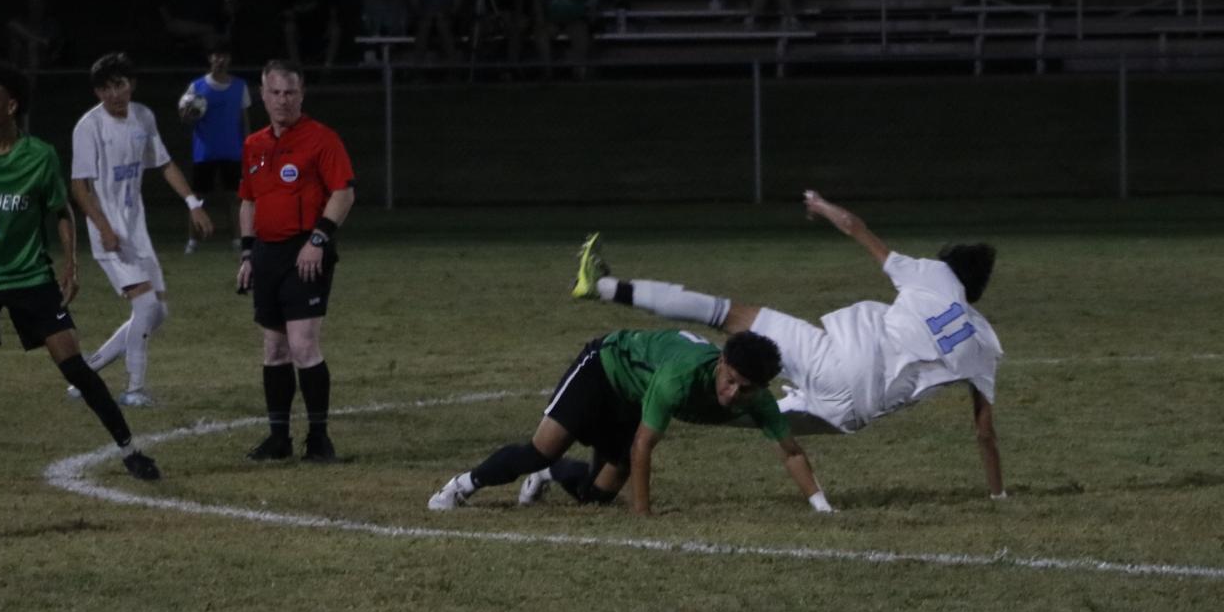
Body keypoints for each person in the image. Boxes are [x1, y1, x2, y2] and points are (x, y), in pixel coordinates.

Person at [569, 190, 1006, 498]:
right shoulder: (986, 341)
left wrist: (819, 204)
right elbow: (984, 433)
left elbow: (856, 227)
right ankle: (602, 459)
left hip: (837, 360)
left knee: (727, 314)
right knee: (730, 410)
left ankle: (601, 288)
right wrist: (998, 495)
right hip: (852, 414)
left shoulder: (935, 275)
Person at [0, 60, 162, 488]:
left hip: (30, 276)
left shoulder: (40, 155)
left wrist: (71, 263)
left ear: (11, 106)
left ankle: (130, 451)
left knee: (74, 366)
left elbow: (60, 210)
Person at [427, 327, 830, 517]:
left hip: (635, 394)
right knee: (539, 449)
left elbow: (791, 452)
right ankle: (460, 487)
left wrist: (822, 508)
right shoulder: (679, 378)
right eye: (730, 382)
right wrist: (643, 514)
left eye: (745, 390)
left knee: (596, 496)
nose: (733, 395)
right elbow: (643, 446)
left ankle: (551, 475)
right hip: (603, 368)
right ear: (721, 363)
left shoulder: (758, 400)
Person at [67, 52, 213, 407]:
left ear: (130, 84)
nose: (114, 94)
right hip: (109, 231)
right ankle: (133, 390)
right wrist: (103, 227)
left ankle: (86, 373)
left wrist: (193, 203)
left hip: (137, 230)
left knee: (157, 312)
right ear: (97, 93)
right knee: (146, 305)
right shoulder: (89, 127)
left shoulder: (143, 117)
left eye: (119, 84)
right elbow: (79, 186)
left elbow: (163, 164)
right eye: (104, 88)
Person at [236, 61, 356, 463]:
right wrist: (248, 254)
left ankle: (319, 439)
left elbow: (343, 193)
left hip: (306, 252)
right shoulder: (254, 143)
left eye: (290, 93)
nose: (282, 100)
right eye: (275, 92)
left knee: (304, 345)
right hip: (267, 254)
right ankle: (278, 438)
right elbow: (249, 199)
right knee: (273, 349)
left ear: (301, 95)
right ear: (263, 95)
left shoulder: (321, 139)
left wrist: (318, 240)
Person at [179, 45, 253, 248]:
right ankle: (192, 242)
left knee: (234, 198)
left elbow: (244, 120)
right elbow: (186, 118)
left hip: (233, 151)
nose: (220, 60)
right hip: (204, 152)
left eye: (224, 56)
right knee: (198, 199)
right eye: (216, 55)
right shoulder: (196, 87)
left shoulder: (240, 86)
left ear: (229, 59)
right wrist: (186, 116)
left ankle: (238, 240)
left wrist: (248, 146)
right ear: (210, 58)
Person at [277, 0, 344, 68]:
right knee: (289, 28)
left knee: (335, 30)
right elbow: (286, 15)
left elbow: (333, 11)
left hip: (320, 29)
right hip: (300, 32)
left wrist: (332, 22)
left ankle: (328, 68)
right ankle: (297, 67)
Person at [6, 0, 63, 72]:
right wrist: (39, 40)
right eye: (32, 3)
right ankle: (14, 75)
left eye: (38, 3)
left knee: (32, 46)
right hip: (22, 61)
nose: (35, 6)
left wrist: (36, 43)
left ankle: (32, 82)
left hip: (44, 60)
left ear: (44, 5)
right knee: (15, 43)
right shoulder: (23, 21)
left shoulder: (50, 24)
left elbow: (50, 45)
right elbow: (11, 25)